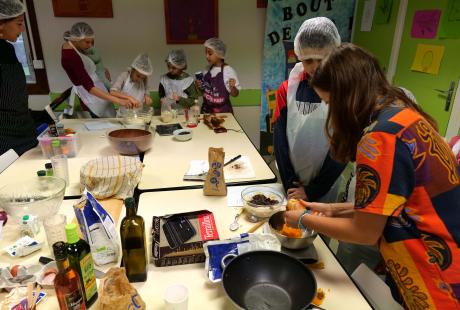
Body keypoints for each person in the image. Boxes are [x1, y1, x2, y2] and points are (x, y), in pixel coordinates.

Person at [286, 43, 460, 309]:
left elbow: (365, 232)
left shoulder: (378, 139)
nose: (330, 113)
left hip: (437, 275)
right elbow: (392, 204)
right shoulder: (404, 113)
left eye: (329, 102)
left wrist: (303, 218)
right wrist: (333, 209)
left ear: (346, 97)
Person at [273, 17, 346, 203]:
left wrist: (314, 190)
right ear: (299, 56)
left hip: (327, 181)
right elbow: (280, 140)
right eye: (307, 60)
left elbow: (343, 146)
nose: (314, 67)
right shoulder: (287, 89)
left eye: (321, 59)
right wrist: (291, 184)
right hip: (292, 180)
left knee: (323, 227)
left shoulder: (343, 90)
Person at [61, 22, 134, 118]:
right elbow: (89, 87)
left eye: (92, 42)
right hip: (90, 95)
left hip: (98, 87)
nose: (90, 46)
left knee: (110, 118)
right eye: (87, 42)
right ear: (77, 39)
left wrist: (100, 70)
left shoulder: (75, 46)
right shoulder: (70, 56)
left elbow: (84, 65)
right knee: (100, 124)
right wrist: (119, 101)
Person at [0, 0, 37, 156]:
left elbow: (13, 96)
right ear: (1, 23)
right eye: (19, 23)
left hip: (24, 131)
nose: (22, 30)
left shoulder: (6, 48)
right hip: (6, 140)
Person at [196, 37, 241, 113]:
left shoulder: (228, 70)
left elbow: (235, 94)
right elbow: (202, 92)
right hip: (207, 111)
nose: (207, 56)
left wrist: (232, 87)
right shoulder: (207, 69)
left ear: (219, 53)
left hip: (223, 113)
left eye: (210, 53)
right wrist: (198, 86)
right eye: (206, 53)